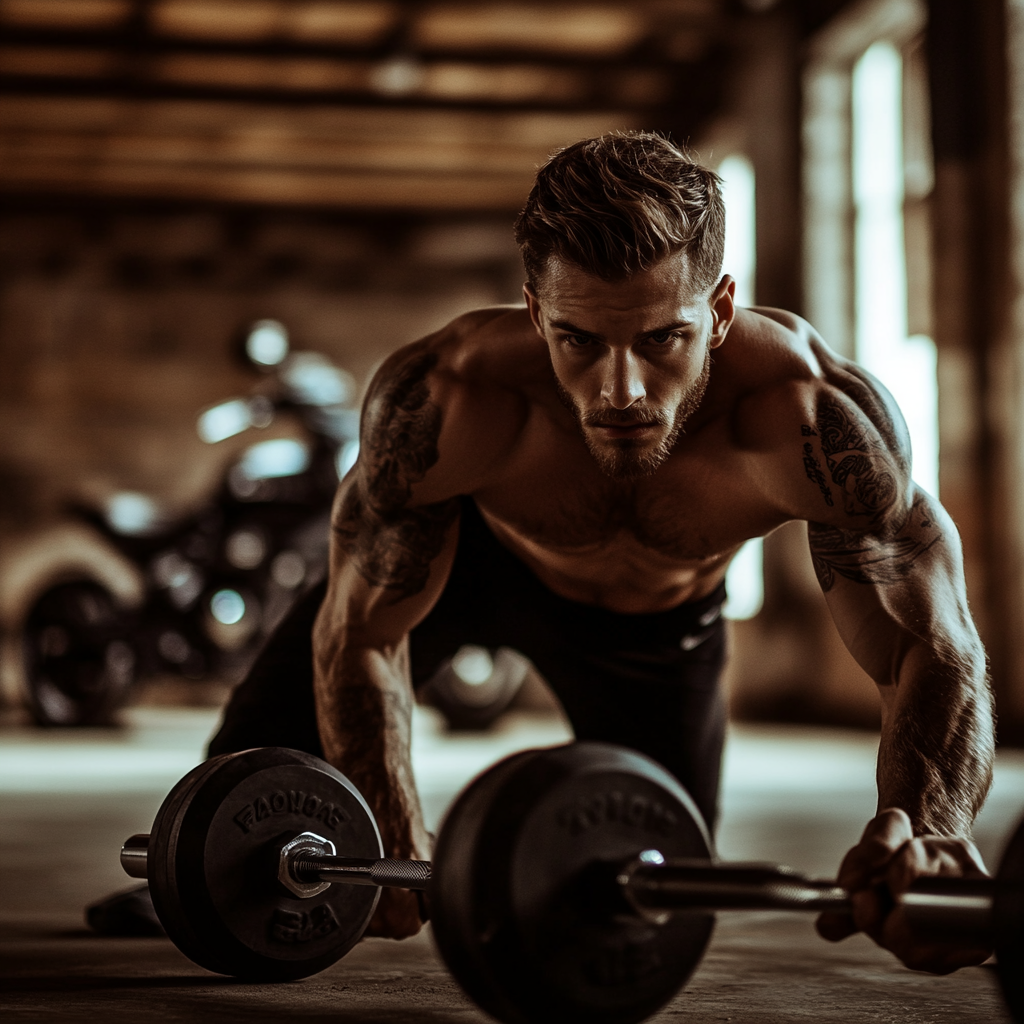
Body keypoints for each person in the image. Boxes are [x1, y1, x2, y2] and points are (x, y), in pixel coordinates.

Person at [97, 132, 996, 975]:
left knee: (645, 885)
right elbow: (361, 635)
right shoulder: (447, 400)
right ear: (535, 311)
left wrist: (928, 831)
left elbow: (930, 644)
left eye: (661, 339)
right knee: (253, 759)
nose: (620, 390)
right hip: (472, 568)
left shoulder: (810, 420)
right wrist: (389, 812)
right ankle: (183, 884)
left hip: (660, 632)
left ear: (719, 311)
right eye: (577, 339)